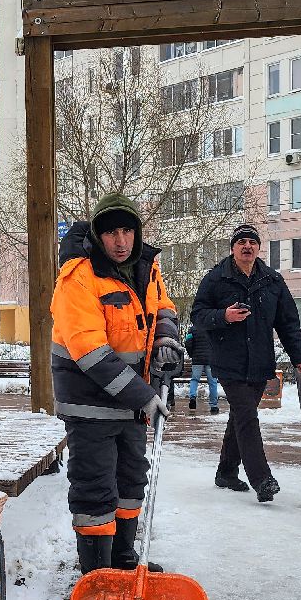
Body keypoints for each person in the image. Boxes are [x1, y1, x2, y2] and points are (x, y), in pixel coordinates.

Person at [51, 193, 182, 574]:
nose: (121, 241)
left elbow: (163, 307)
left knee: (130, 480)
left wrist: (165, 340)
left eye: (127, 231)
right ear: (97, 235)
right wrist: (145, 396)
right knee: (96, 487)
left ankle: (123, 558)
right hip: (90, 403)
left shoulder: (146, 267)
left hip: (131, 401)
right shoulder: (78, 277)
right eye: (111, 233)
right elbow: (90, 351)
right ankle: (97, 572)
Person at [191, 223, 301, 503]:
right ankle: (262, 479)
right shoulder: (216, 278)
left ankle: (226, 472)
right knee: (247, 416)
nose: (247, 246)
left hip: (259, 362)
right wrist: (224, 317)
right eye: (241, 241)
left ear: (258, 248)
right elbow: (198, 315)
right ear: (233, 248)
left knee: (239, 418)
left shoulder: (272, 280)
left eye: (252, 242)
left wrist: (299, 357)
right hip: (228, 361)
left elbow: (288, 323)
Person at [183, 323, 219, 414]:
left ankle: (192, 397)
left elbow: (188, 342)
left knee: (194, 380)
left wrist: (192, 354)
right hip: (210, 360)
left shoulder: (193, 329)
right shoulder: (212, 327)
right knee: (213, 382)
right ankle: (214, 405)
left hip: (197, 359)